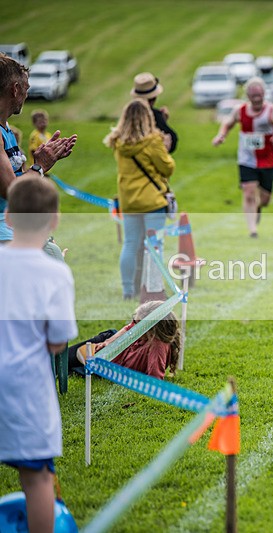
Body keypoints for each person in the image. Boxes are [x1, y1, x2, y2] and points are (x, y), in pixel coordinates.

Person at [0, 176, 77, 533]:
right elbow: (59, 341)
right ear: (55, 221)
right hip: (26, 389)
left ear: (9, 218)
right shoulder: (55, 273)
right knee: (37, 479)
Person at [1, 55, 77, 244]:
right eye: (26, 88)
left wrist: (43, 163)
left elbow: (17, 178)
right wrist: (39, 166)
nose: (27, 94)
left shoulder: (6, 129)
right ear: (15, 89)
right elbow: (12, 190)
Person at [104, 99, 175, 300]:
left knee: (130, 244)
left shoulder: (118, 142)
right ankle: (153, 287)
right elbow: (167, 168)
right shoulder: (153, 141)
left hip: (129, 201)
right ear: (147, 118)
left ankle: (128, 289)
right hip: (152, 201)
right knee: (155, 245)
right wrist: (166, 149)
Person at [212, 77, 273, 238]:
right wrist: (221, 135)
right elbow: (227, 123)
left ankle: (258, 207)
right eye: (253, 95)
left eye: (259, 95)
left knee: (265, 199)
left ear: (263, 94)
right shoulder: (239, 110)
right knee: (248, 193)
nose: (256, 99)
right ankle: (252, 229)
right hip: (246, 159)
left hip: (268, 159)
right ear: (247, 95)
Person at [69, 300, 181, 380]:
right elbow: (128, 328)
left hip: (110, 365)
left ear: (152, 330)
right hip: (113, 345)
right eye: (134, 320)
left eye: (137, 323)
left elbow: (155, 379)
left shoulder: (158, 346)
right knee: (67, 357)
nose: (134, 324)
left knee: (72, 368)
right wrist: (108, 342)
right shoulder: (143, 329)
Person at [131, 72, 178, 153]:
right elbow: (172, 140)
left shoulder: (129, 114)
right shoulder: (154, 115)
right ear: (154, 97)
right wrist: (163, 120)